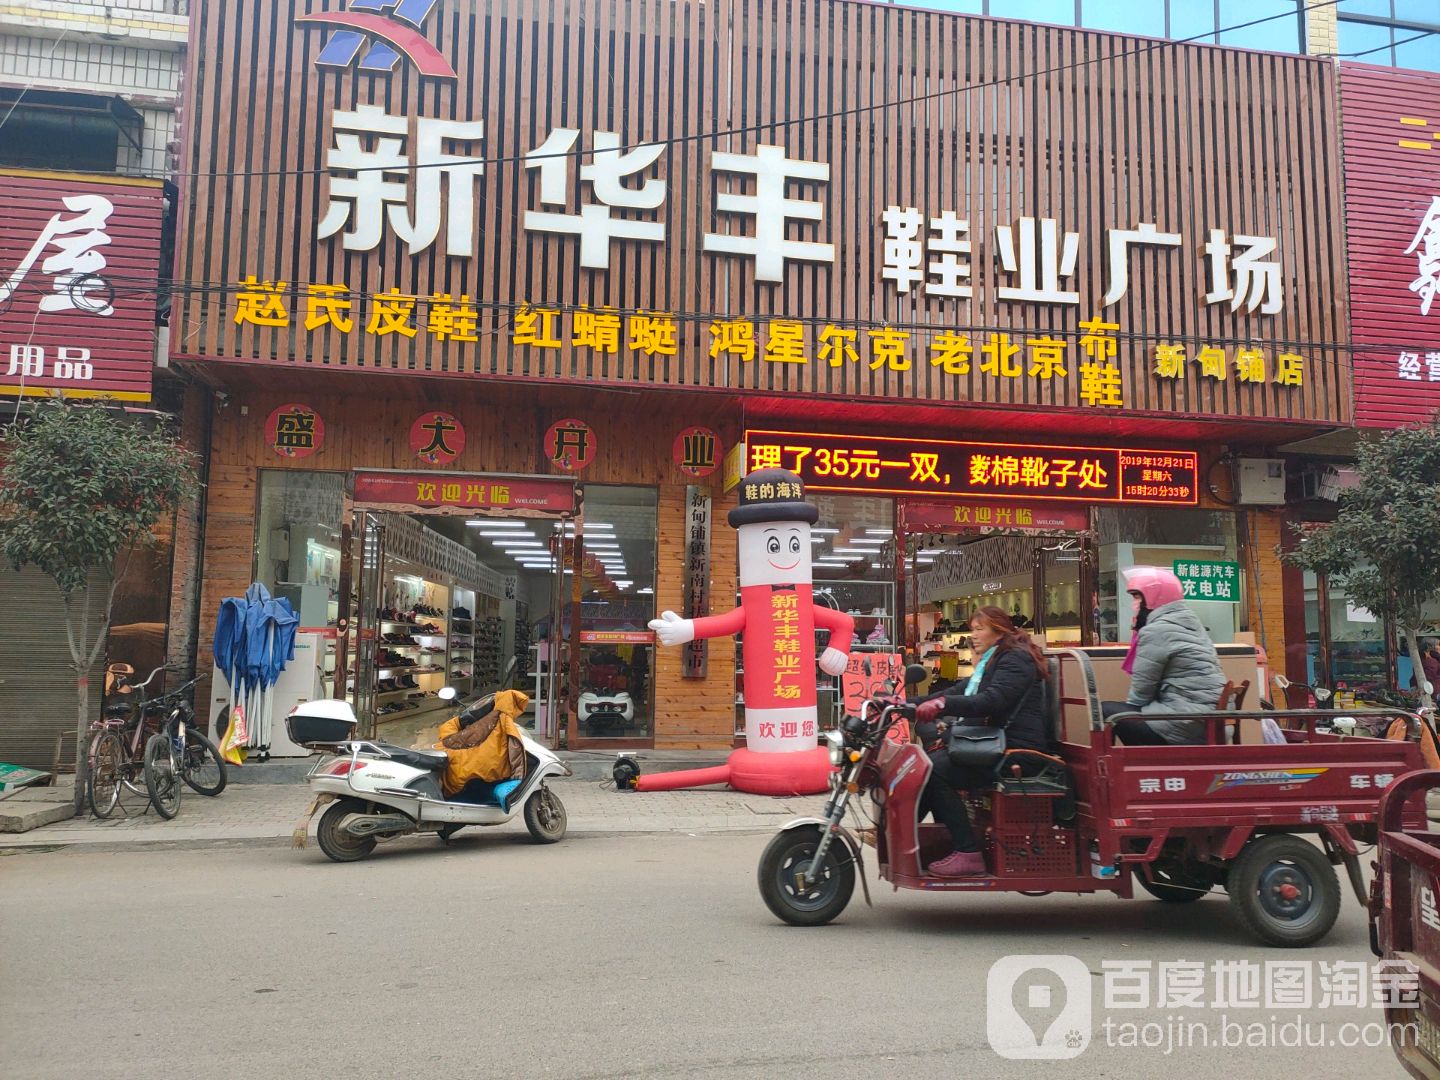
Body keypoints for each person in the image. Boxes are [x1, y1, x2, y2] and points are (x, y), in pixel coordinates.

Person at [912, 606, 1051, 877]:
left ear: (999, 631)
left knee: (934, 771)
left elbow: (991, 701)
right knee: (927, 765)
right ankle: (926, 839)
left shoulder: (1015, 659)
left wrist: (941, 704)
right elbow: (958, 690)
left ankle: (967, 852)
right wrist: (903, 704)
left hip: (1016, 750)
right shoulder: (992, 660)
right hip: (996, 743)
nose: (973, 635)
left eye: (980, 629)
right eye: (972, 629)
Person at [1102, 566, 1225, 746]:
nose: (1133, 604)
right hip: (1202, 720)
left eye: (1137, 597)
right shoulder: (1190, 622)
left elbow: (1140, 695)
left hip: (1183, 725)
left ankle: (1129, 768)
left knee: (1106, 711)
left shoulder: (1157, 630)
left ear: (1154, 596)